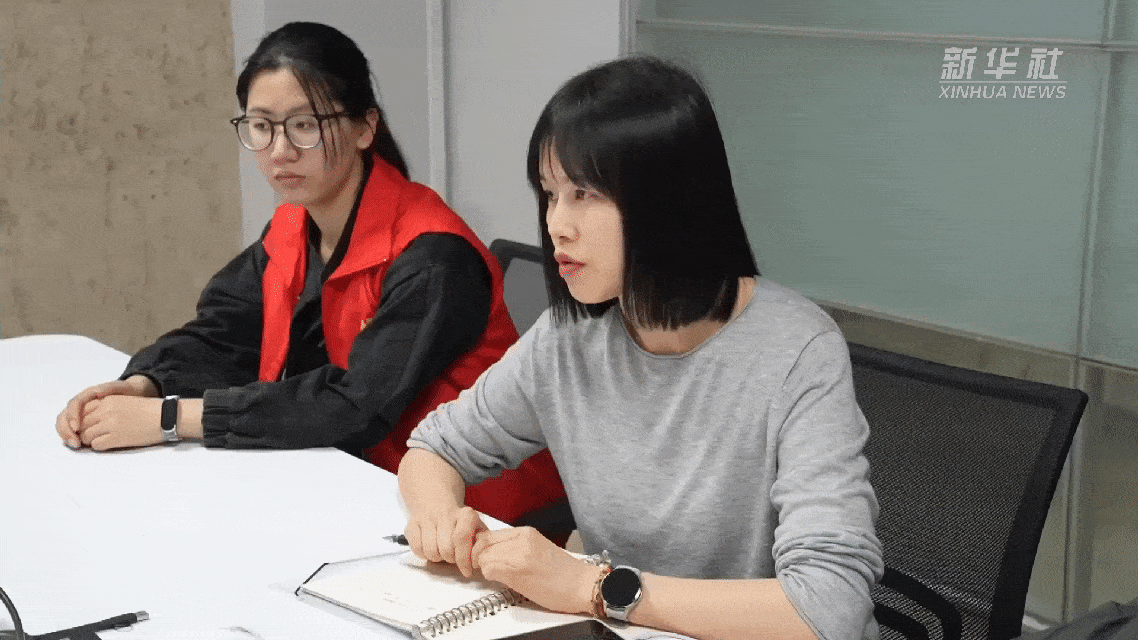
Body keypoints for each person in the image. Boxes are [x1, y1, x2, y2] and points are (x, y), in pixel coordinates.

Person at [398, 56, 884, 640]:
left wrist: (592, 587)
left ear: (668, 201)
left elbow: (828, 607)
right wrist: (439, 517)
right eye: (550, 195)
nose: (557, 224)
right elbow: (434, 448)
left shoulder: (798, 351)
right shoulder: (567, 339)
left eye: (583, 193)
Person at [54, 21, 565, 528]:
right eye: (261, 126)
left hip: (477, 514)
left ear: (365, 127)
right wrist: (146, 385)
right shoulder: (293, 226)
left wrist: (170, 419)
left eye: (304, 125)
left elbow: (355, 405)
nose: (280, 151)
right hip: (353, 482)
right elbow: (225, 333)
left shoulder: (434, 257)